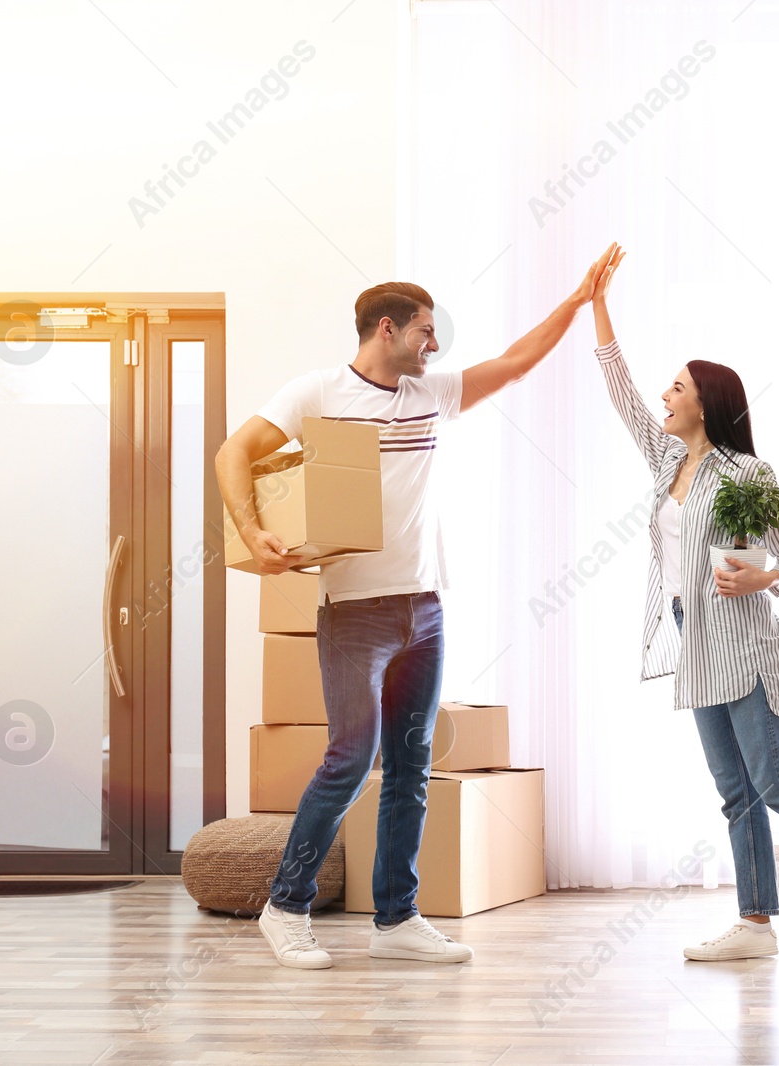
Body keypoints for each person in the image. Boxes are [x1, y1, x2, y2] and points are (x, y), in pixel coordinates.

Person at [217, 244, 618, 969]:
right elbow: (232, 452)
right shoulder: (316, 395)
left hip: (423, 609)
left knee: (411, 764)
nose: (435, 344)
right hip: (355, 611)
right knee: (350, 758)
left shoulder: (428, 395)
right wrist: (253, 531)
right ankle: (285, 908)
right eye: (425, 331)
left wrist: (579, 299)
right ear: (386, 331)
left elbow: (518, 362)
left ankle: (397, 919)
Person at [589, 248, 779, 965]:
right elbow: (621, 393)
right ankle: (755, 923)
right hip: (691, 635)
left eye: (677, 387)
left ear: (707, 402)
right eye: (666, 387)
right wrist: (596, 305)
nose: (664, 396)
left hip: (745, 643)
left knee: (774, 779)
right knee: (735, 791)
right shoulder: (668, 462)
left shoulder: (746, 473)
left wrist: (766, 581)